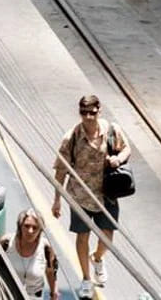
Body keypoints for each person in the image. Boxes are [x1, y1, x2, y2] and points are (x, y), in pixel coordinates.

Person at [52, 92, 130, 295]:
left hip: (107, 194)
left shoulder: (112, 130)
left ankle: (97, 258)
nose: (88, 117)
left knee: (107, 236)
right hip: (80, 195)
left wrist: (118, 160)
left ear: (99, 111)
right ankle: (86, 278)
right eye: (83, 112)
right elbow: (61, 170)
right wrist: (57, 200)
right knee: (82, 236)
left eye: (92, 113)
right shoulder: (72, 137)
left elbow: (126, 149)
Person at [6, 209, 60, 299]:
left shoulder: (46, 248)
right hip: (7, 295)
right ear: (20, 226)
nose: (30, 231)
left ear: (40, 230)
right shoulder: (7, 242)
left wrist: (54, 293)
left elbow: (51, 272)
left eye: (35, 227)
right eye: (26, 226)